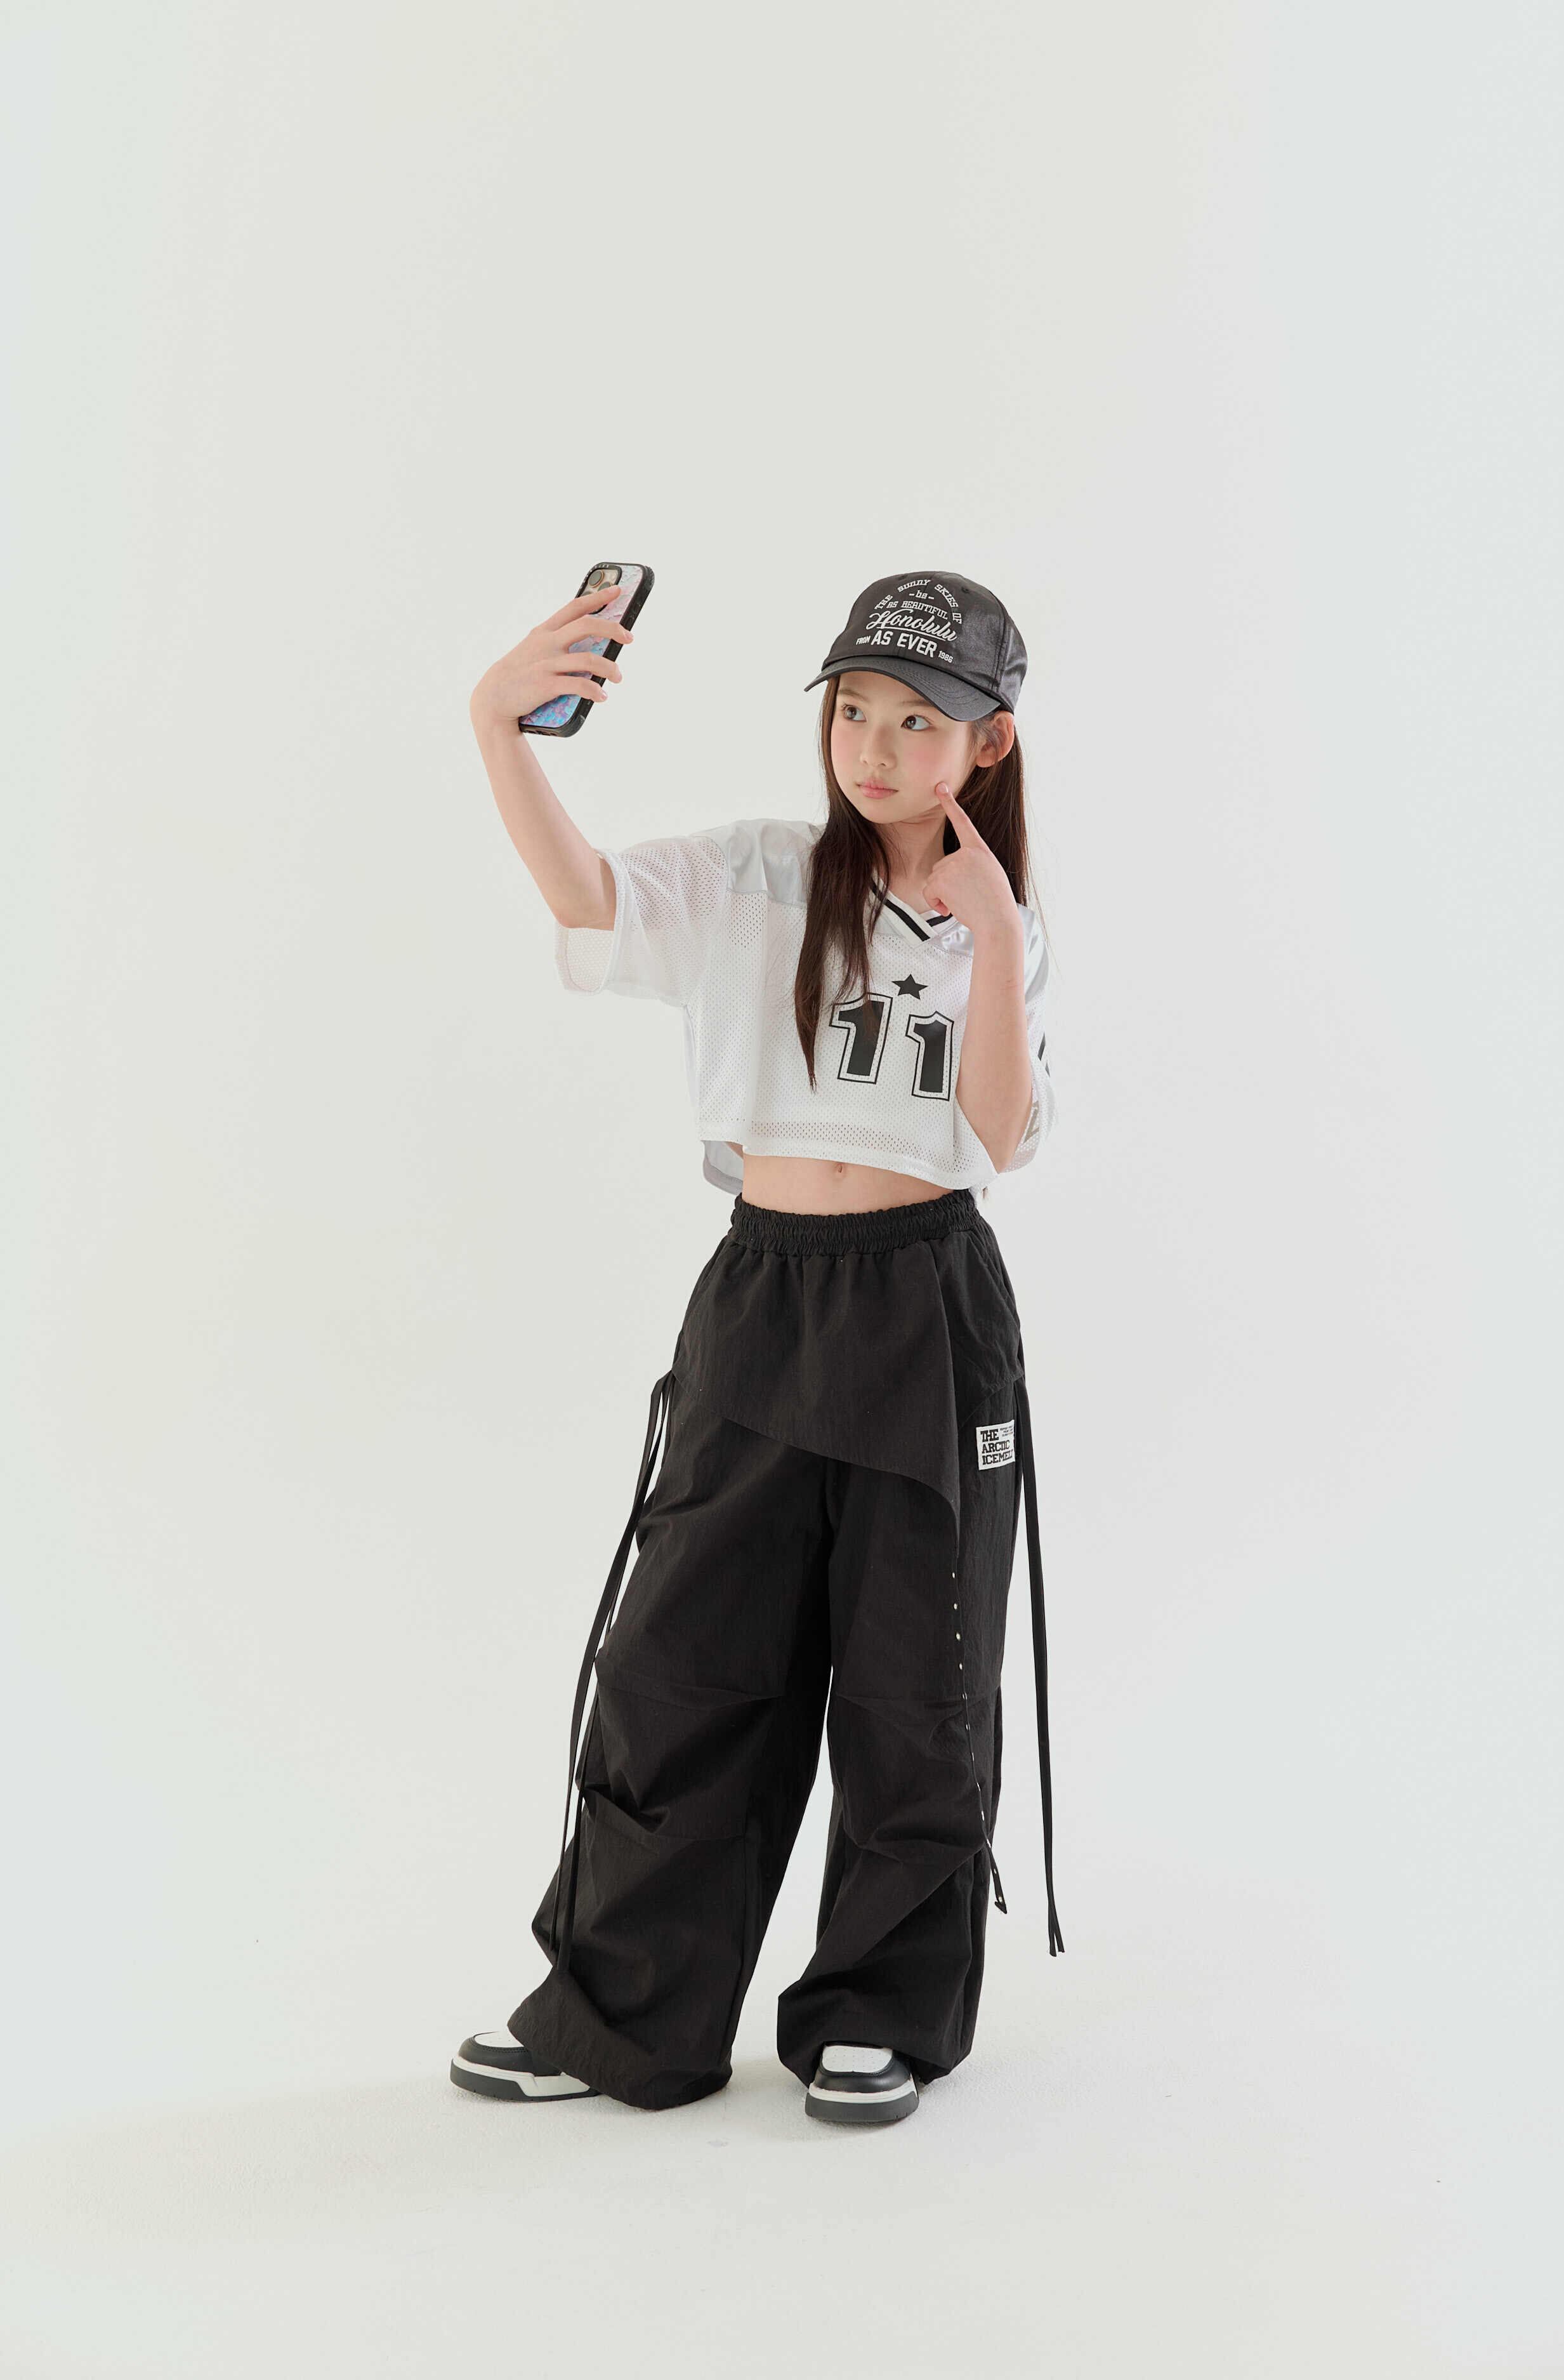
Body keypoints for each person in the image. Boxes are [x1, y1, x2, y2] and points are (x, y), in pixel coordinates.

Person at [451, 571, 1063, 2127]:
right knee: (683, 1662)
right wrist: (497, 729)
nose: (872, 747)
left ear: (984, 746)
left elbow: (1000, 1133)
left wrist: (993, 935)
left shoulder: (1000, 926)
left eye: (915, 721)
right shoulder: (757, 876)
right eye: (851, 710)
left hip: (928, 1305)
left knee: (917, 1678)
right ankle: (622, 2011)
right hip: (766, 1292)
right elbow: (589, 900)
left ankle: (877, 2010)